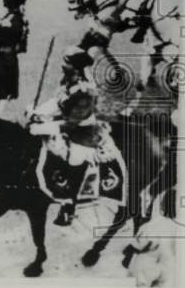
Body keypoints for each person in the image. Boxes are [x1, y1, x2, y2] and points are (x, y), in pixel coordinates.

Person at [29, 83, 118, 226]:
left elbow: (68, 123)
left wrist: (39, 127)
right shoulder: (76, 90)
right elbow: (61, 106)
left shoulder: (84, 101)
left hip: (83, 141)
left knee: (72, 161)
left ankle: (69, 205)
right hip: (75, 132)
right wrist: (38, 114)